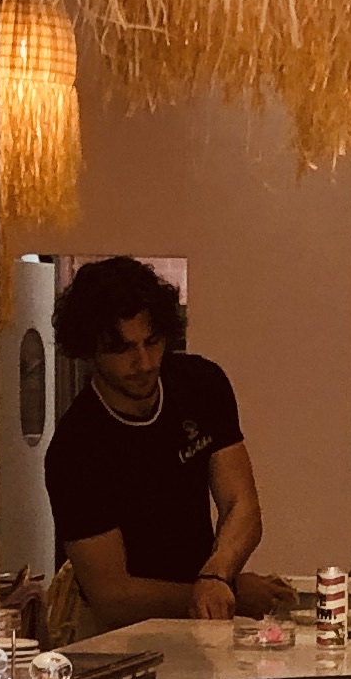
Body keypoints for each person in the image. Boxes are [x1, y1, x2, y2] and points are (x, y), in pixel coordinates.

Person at [43, 254, 296, 626]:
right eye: (122, 349)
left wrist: (218, 575)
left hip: (201, 611)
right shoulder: (76, 448)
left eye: (152, 341)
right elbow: (112, 596)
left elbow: (241, 503)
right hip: (116, 632)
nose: (144, 362)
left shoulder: (200, 384)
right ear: (88, 351)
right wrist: (222, 593)